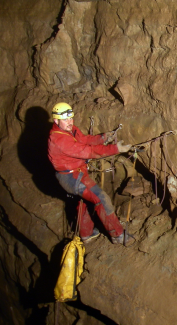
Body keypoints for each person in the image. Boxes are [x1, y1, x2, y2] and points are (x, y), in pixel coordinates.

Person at [47, 102, 133, 244]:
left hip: (77, 172)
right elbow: (88, 152)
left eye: (71, 118)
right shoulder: (59, 139)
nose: (70, 122)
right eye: (65, 120)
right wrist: (115, 149)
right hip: (71, 177)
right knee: (100, 197)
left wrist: (104, 138)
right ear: (56, 121)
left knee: (83, 200)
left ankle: (86, 234)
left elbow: (84, 140)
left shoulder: (69, 129)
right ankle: (118, 235)